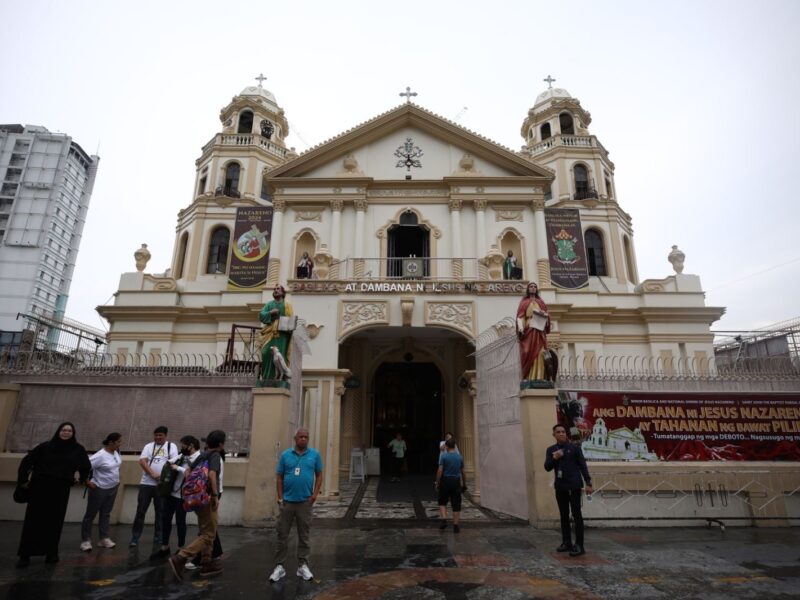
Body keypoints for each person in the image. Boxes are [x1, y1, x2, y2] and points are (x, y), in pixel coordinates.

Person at [16, 421, 91, 567]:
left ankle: (51, 553)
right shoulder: (45, 447)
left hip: (60, 490)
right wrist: (23, 481)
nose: (66, 433)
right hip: (40, 488)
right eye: (63, 430)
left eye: (69, 431)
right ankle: (25, 554)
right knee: (33, 521)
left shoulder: (77, 449)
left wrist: (81, 479)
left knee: (54, 522)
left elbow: (85, 466)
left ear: (73, 433)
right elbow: (26, 462)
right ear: (58, 431)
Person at [168, 430, 226, 580]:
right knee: (208, 535)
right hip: (207, 498)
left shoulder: (201, 456)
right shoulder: (215, 455)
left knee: (205, 530)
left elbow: (188, 472)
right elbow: (212, 475)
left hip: (196, 499)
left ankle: (206, 563)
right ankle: (181, 557)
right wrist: (214, 495)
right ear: (221, 444)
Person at [269, 427, 323, 583]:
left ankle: (303, 565)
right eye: (301, 437)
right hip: (287, 502)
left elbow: (319, 475)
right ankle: (279, 566)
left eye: (306, 437)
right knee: (282, 535)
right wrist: (280, 498)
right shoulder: (286, 455)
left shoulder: (314, 455)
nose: (303, 439)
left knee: (304, 536)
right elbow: (279, 477)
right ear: (295, 439)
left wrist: (314, 495)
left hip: (305, 502)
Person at [544, 423, 593, 557]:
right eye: (558, 432)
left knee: (577, 516)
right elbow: (547, 467)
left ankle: (579, 545)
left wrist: (588, 483)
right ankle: (566, 542)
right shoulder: (551, 450)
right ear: (554, 435)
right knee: (564, 515)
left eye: (563, 432)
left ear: (566, 434)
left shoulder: (574, 448)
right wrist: (555, 458)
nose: (561, 434)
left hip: (574, 486)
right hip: (560, 487)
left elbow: (583, 466)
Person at [130, 426, 178, 550]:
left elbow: (173, 463)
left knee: (161, 512)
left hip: (162, 486)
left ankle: (159, 537)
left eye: (160, 435)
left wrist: (161, 478)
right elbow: (142, 461)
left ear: (165, 435)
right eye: (156, 435)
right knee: (141, 511)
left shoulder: (171, 447)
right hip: (146, 484)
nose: (157, 437)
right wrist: (153, 474)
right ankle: (135, 537)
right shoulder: (148, 446)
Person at [158, 435, 200, 557]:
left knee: (180, 522)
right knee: (166, 519)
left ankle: (181, 547)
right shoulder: (183, 456)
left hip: (183, 496)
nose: (182, 448)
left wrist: (179, 468)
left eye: (183, 445)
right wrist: (171, 464)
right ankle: (164, 546)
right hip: (172, 493)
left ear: (191, 446)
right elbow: (170, 462)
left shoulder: (198, 458)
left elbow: (193, 475)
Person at [80, 432, 123, 552]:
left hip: (113, 488)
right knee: (90, 515)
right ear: (111, 442)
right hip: (99, 488)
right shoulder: (100, 455)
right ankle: (86, 540)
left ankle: (104, 539)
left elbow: (116, 466)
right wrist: (87, 482)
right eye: (118, 442)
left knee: (106, 513)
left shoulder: (116, 452)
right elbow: (85, 466)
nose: (120, 444)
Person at [258, 285, 293, 383]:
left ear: (283, 292)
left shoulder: (287, 305)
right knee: (265, 353)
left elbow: (291, 320)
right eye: (274, 289)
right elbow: (261, 315)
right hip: (269, 332)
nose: (275, 291)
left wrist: (287, 327)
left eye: (278, 289)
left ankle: (279, 378)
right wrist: (270, 312)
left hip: (282, 334)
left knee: (280, 356)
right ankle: (265, 377)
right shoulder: (269, 304)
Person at [516, 281, 551, 381]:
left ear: (536, 289)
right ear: (528, 289)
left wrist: (545, 315)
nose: (533, 288)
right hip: (529, 329)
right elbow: (521, 317)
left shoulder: (541, 302)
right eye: (531, 286)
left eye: (535, 286)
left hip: (539, 330)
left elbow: (547, 315)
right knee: (527, 351)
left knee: (540, 353)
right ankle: (527, 376)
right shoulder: (524, 303)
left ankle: (539, 377)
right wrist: (521, 327)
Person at [435, 438, 466, 533]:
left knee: (442, 501)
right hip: (456, 482)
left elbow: (440, 470)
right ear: (454, 446)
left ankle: (444, 519)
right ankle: (456, 525)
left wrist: (437, 482)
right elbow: (463, 472)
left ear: (447, 446)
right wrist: (464, 483)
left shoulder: (444, 456)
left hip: (446, 481)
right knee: (456, 503)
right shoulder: (459, 457)